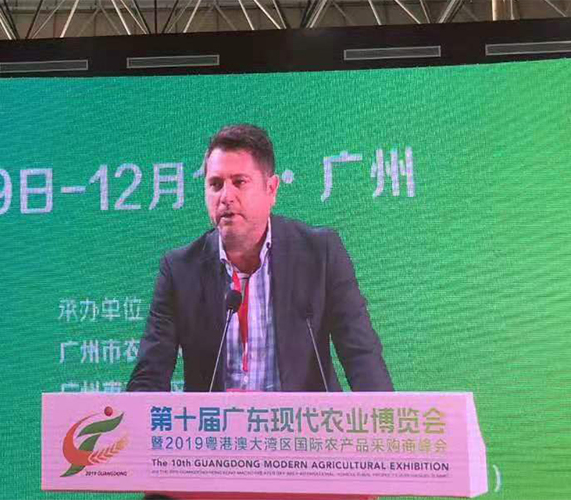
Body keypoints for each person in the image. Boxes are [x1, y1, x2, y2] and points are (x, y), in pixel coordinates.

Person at [127, 124, 393, 393]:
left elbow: (362, 356)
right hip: (214, 421)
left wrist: (383, 416)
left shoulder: (320, 253)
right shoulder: (180, 270)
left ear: (271, 189)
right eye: (215, 184)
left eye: (239, 182)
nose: (226, 197)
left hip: (300, 419)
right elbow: (149, 376)